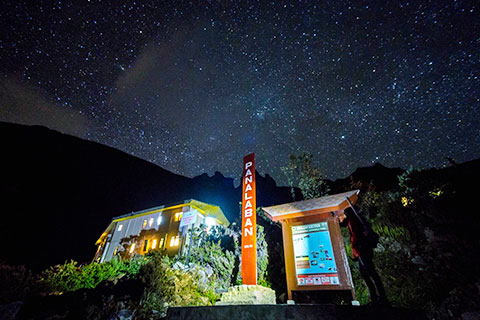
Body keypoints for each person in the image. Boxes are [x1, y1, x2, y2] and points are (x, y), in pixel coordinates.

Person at [338, 207, 389, 306]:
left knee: (371, 273)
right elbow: (343, 224)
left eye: (346, 213)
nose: (345, 216)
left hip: (363, 250)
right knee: (366, 274)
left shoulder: (356, 220)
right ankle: (375, 298)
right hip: (360, 251)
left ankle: (381, 297)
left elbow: (358, 235)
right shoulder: (352, 220)